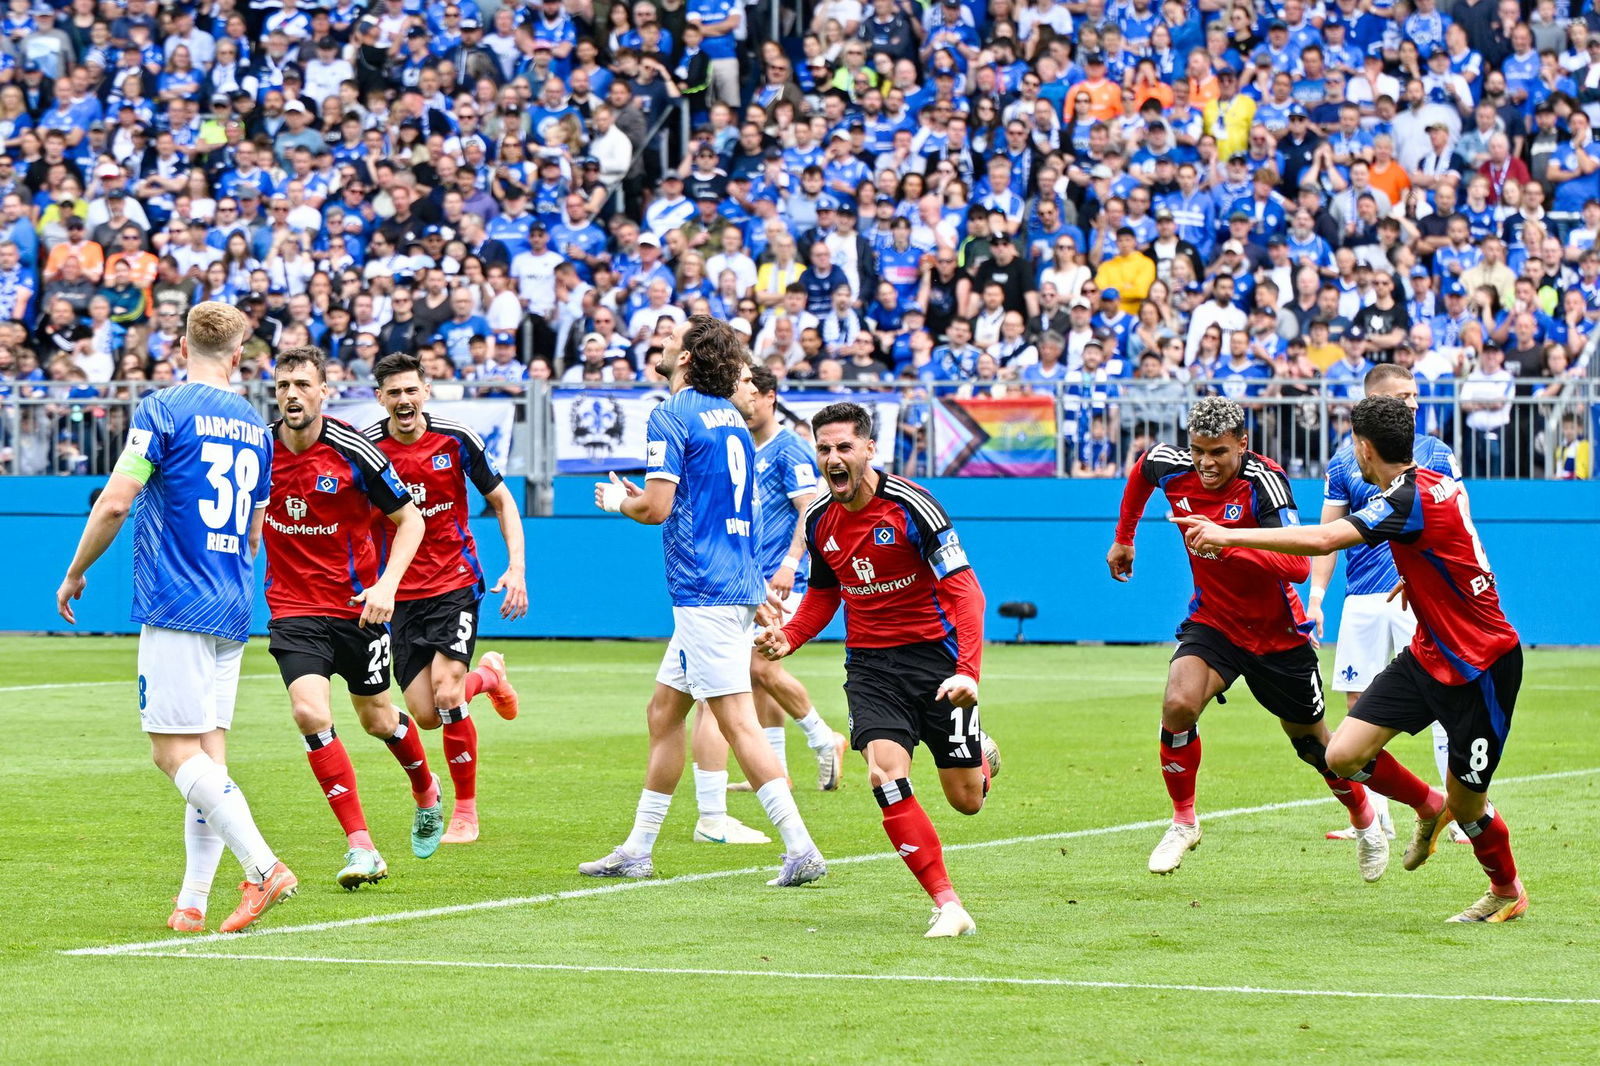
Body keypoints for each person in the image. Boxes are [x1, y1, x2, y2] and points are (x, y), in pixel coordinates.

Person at [1176, 396, 1529, 923]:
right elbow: (1456, 543)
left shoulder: (1407, 499)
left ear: (1364, 448)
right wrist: (1426, 581)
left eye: (1352, 444)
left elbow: (1321, 541)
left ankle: (1507, 890)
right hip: (1429, 651)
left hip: (1481, 666)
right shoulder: (1430, 483)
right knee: (1341, 754)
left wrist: (1227, 535)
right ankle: (1426, 806)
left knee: (1471, 805)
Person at [53, 301, 295, 934]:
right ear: (239, 357)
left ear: (181, 349)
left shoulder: (163, 407)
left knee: (170, 754)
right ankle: (192, 903)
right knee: (208, 755)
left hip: (176, 598)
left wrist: (77, 570)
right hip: (231, 601)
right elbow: (254, 531)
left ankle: (265, 867)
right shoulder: (256, 425)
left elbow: (115, 503)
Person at [587, 315, 827, 886]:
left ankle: (801, 847)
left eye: (671, 341)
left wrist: (619, 501)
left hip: (703, 590)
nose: (661, 345)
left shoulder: (671, 415)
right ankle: (639, 848)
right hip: (729, 584)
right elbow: (738, 516)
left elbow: (658, 509)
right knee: (663, 712)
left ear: (689, 357)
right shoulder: (735, 423)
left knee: (737, 722)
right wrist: (753, 588)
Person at [1107, 396, 1387, 880]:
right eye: (1197, 450)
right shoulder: (1170, 466)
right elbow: (1140, 474)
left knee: (1314, 746)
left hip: (1278, 635)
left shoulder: (1265, 482)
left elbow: (1298, 566)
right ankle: (1183, 821)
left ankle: (1365, 822)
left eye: (1217, 452)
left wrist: (1227, 539)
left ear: (1243, 444)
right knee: (1177, 704)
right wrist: (1125, 538)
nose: (1206, 463)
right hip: (1214, 623)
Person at [756, 401, 1001, 938]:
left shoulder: (913, 506)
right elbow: (824, 595)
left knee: (967, 802)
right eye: (824, 448)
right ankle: (947, 903)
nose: (833, 458)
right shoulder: (819, 519)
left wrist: (968, 671)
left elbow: (967, 593)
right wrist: (790, 635)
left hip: (937, 662)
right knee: (884, 773)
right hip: (870, 668)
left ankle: (979, 758)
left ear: (869, 449)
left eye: (844, 446)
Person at [262, 345, 433, 889]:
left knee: (378, 720)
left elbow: (411, 522)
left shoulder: (353, 449)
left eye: (303, 385)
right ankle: (362, 847)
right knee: (310, 713)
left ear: (323, 392)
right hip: (292, 609)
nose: (293, 394)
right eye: (284, 384)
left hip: (359, 609)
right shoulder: (258, 449)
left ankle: (425, 788)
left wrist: (388, 585)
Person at [365, 353, 527, 845]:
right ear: (380, 398)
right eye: (393, 392)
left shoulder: (456, 440)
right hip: (399, 595)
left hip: (454, 581)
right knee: (427, 714)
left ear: (426, 391)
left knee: (448, 693)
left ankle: (466, 813)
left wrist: (517, 568)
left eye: (411, 390)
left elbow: (502, 500)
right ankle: (490, 677)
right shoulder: (367, 448)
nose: (403, 400)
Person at [1309, 364, 1470, 844]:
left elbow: (1456, 523)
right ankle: (1376, 817)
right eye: (1404, 396)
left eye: (1416, 395)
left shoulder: (1436, 453)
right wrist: (1316, 599)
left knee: (1444, 698)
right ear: (1373, 403)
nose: (1415, 404)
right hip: (1361, 597)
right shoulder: (1343, 464)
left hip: (1414, 594)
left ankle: (1460, 810)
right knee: (1359, 704)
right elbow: (1328, 538)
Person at [690, 365, 849, 843]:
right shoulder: (741, 442)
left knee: (759, 669)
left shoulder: (790, 450)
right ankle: (778, 764)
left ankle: (825, 738)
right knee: (753, 678)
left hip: (781, 578)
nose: (742, 400)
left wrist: (792, 560)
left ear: (769, 398)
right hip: (746, 578)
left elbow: (811, 508)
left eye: (748, 393)